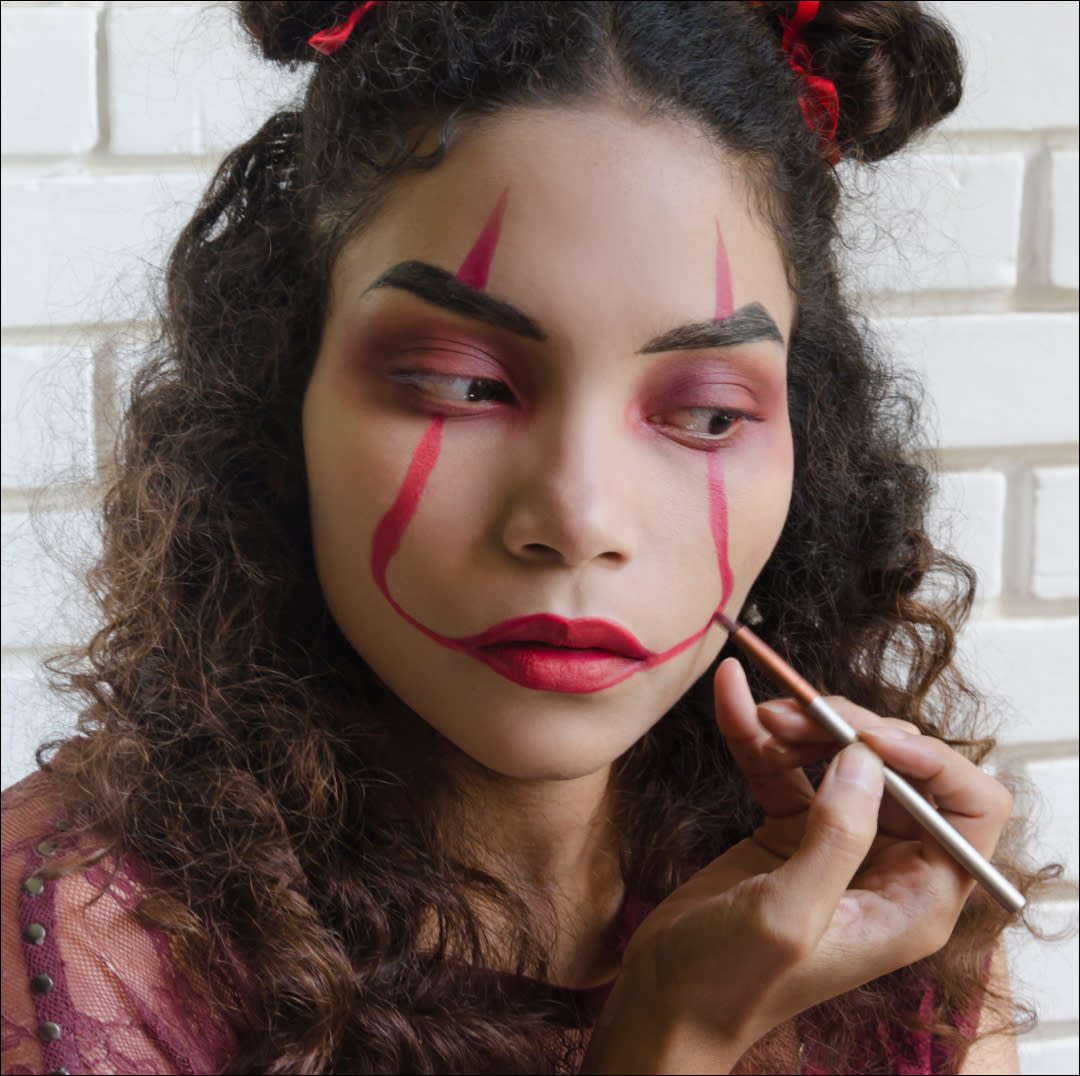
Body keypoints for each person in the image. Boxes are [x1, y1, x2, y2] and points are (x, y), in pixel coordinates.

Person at [1, 2, 1041, 1072]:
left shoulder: (887, 917)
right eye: (463, 385)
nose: (579, 519)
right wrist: (669, 1037)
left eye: (709, 413)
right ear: (279, 394)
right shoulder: (78, 954)